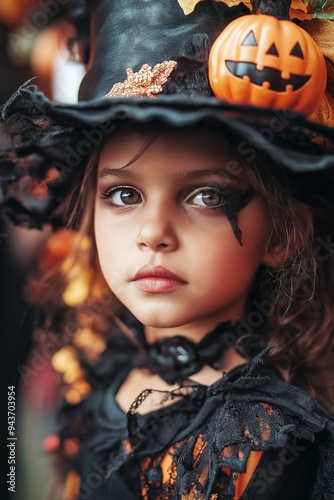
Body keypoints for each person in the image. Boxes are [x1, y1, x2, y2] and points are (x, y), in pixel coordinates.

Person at [1, 0, 334, 499]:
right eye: (123, 195)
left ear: (284, 235)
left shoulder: (260, 438)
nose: (153, 232)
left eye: (206, 196)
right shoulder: (101, 363)